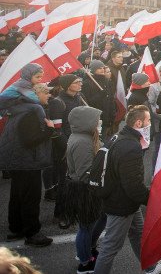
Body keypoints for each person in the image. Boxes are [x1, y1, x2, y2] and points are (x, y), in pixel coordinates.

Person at [93, 105, 161, 274]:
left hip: (125, 201)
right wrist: (153, 201)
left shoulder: (119, 137)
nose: (149, 125)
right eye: (147, 121)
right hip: (121, 204)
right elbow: (133, 186)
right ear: (138, 123)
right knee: (110, 246)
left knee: (138, 233)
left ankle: (151, 267)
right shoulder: (130, 147)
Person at [0, 67, 55, 247]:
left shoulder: (18, 108)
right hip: (27, 161)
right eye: (45, 93)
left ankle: (15, 229)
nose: (49, 96)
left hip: (18, 160)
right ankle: (32, 233)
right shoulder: (31, 112)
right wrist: (49, 130)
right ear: (34, 95)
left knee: (17, 195)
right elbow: (30, 140)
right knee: (30, 197)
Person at [64, 106, 106, 273]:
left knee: (101, 218)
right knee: (86, 227)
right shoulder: (82, 142)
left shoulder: (86, 137)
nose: (99, 123)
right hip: (85, 191)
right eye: (96, 120)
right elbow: (85, 173)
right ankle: (84, 261)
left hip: (90, 189)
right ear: (87, 122)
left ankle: (89, 247)